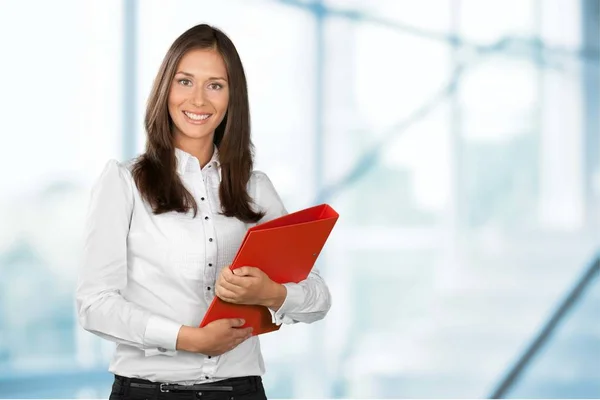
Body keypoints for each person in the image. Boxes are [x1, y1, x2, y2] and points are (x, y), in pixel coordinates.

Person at [76, 23, 331, 400]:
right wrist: (189, 340)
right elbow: (95, 306)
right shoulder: (124, 183)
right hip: (147, 393)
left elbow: (319, 298)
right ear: (166, 89)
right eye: (184, 81)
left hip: (239, 391)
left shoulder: (254, 189)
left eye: (215, 85)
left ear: (232, 98)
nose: (198, 100)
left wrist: (273, 293)